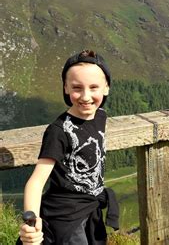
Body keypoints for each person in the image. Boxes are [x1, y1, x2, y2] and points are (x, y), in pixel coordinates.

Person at [18, 50, 119, 245]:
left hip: (90, 209)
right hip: (66, 217)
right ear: (65, 87)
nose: (86, 96)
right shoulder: (58, 131)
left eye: (94, 87)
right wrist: (31, 222)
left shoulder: (100, 116)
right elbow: (36, 182)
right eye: (77, 88)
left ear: (106, 87)